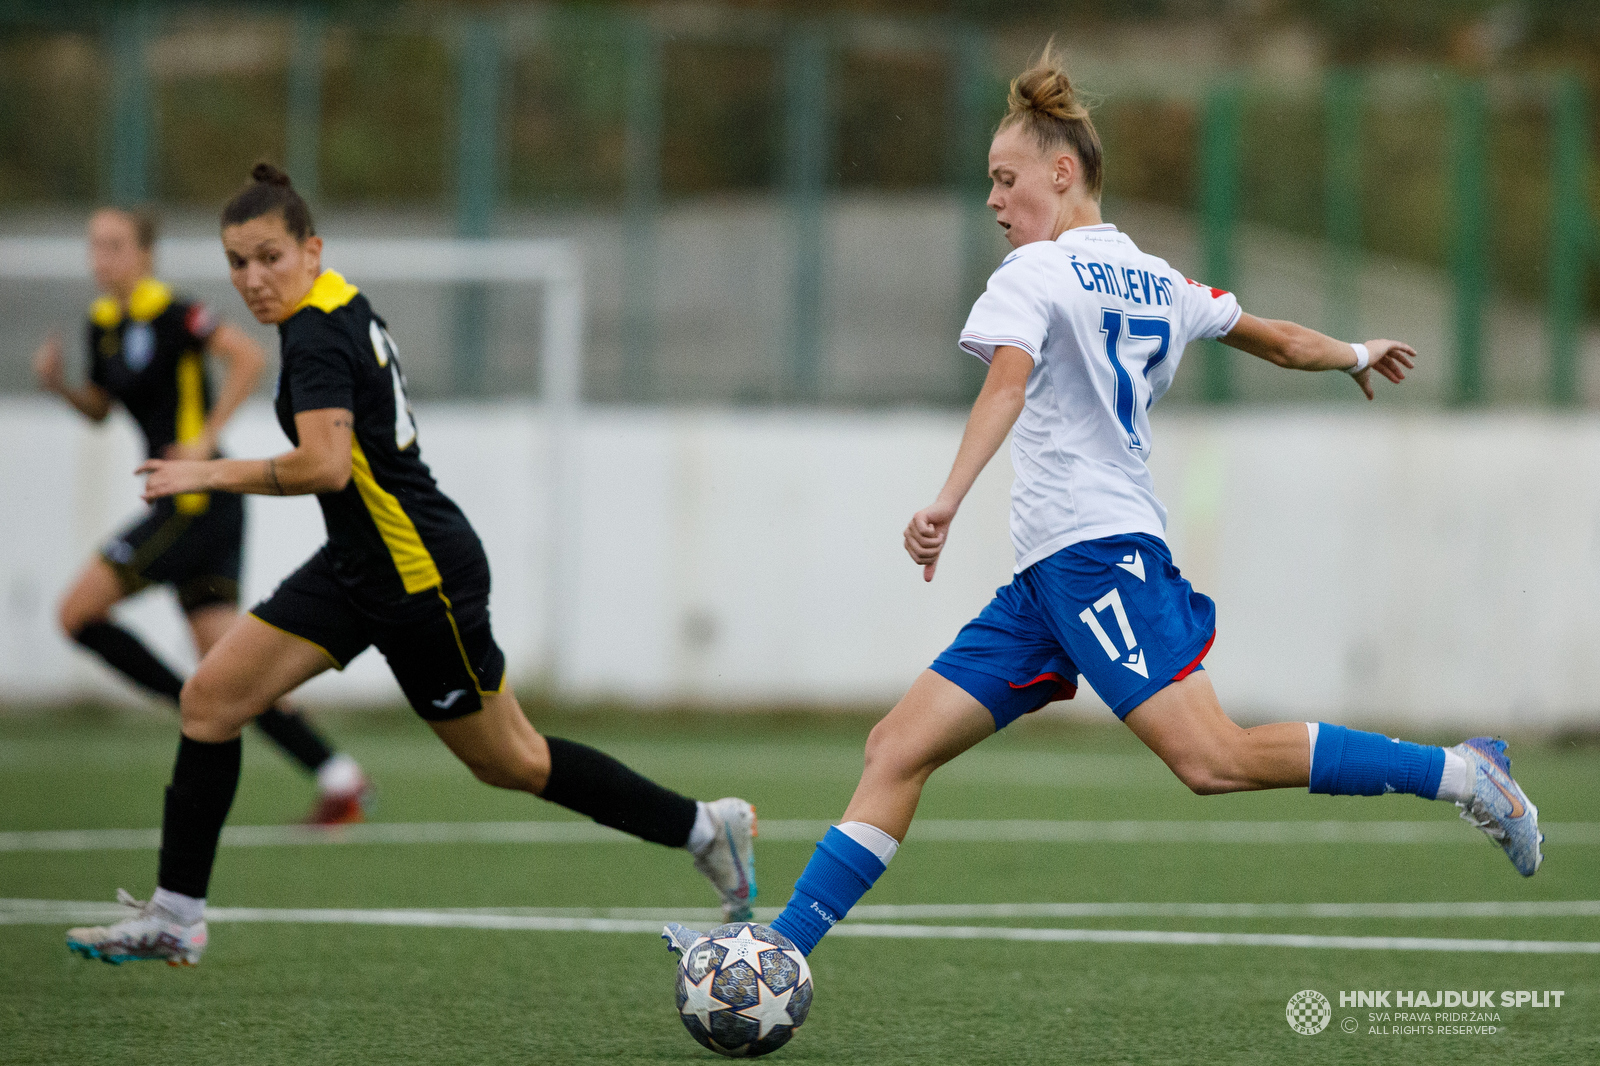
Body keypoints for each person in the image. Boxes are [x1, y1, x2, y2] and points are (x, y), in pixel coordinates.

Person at [666, 50, 1542, 966]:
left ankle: (1464, 774)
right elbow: (1277, 340)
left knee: (1213, 760)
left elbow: (1006, 389)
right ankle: (783, 952)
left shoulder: (1035, 276)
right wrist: (1356, 351)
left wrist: (946, 500)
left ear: (1062, 171)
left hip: (1098, 557)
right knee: (896, 746)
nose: (996, 203)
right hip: (1049, 579)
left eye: (1006, 181)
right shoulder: (1160, 280)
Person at [65, 164, 756, 967]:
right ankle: (176, 917)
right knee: (211, 700)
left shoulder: (317, 331)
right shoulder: (331, 305)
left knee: (514, 761)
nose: (253, 279)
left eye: (270, 258)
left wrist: (208, 468)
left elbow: (325, 465)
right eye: (237, 263)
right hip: (356, 565)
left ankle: (707, 829)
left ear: (311, 249)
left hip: (418, 578)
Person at [34, 206, 369, 825]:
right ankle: (340, 777)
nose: (101, 257)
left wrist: (205, 440)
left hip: (194, 501)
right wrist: (60, 387)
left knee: (75, 613)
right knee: (230, 674)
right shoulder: (102, 323)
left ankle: (186, 703)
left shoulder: (176, 312)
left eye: (115, 245)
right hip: (194, 506)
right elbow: (101, 409)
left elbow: (246, 358)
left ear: (145, 254)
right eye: (95, 245)